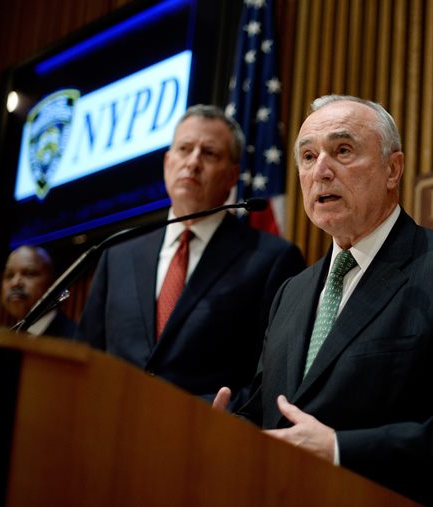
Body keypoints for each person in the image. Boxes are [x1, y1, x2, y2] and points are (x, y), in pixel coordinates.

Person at [213, 95, 433, 506]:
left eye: (342, 151)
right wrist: (228, 433)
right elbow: (271, 411)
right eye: (307, 156)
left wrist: (341, 449)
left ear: (393, 169)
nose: (321, 170)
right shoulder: (292, 292)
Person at [76, 104, 305, 399]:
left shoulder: (272, 259)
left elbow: (275, 378)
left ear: (232, 175)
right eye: (185, 149)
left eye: (209, 153)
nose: (193, 162)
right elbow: (86, 357)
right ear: (167, 162)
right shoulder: (117, 255)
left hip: (207, 436)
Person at [1, 245, 77, 338]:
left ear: (54, 283)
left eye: (29, 274)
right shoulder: (1, 343)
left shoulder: (76, 340)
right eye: (9, 275)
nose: (15, 283)